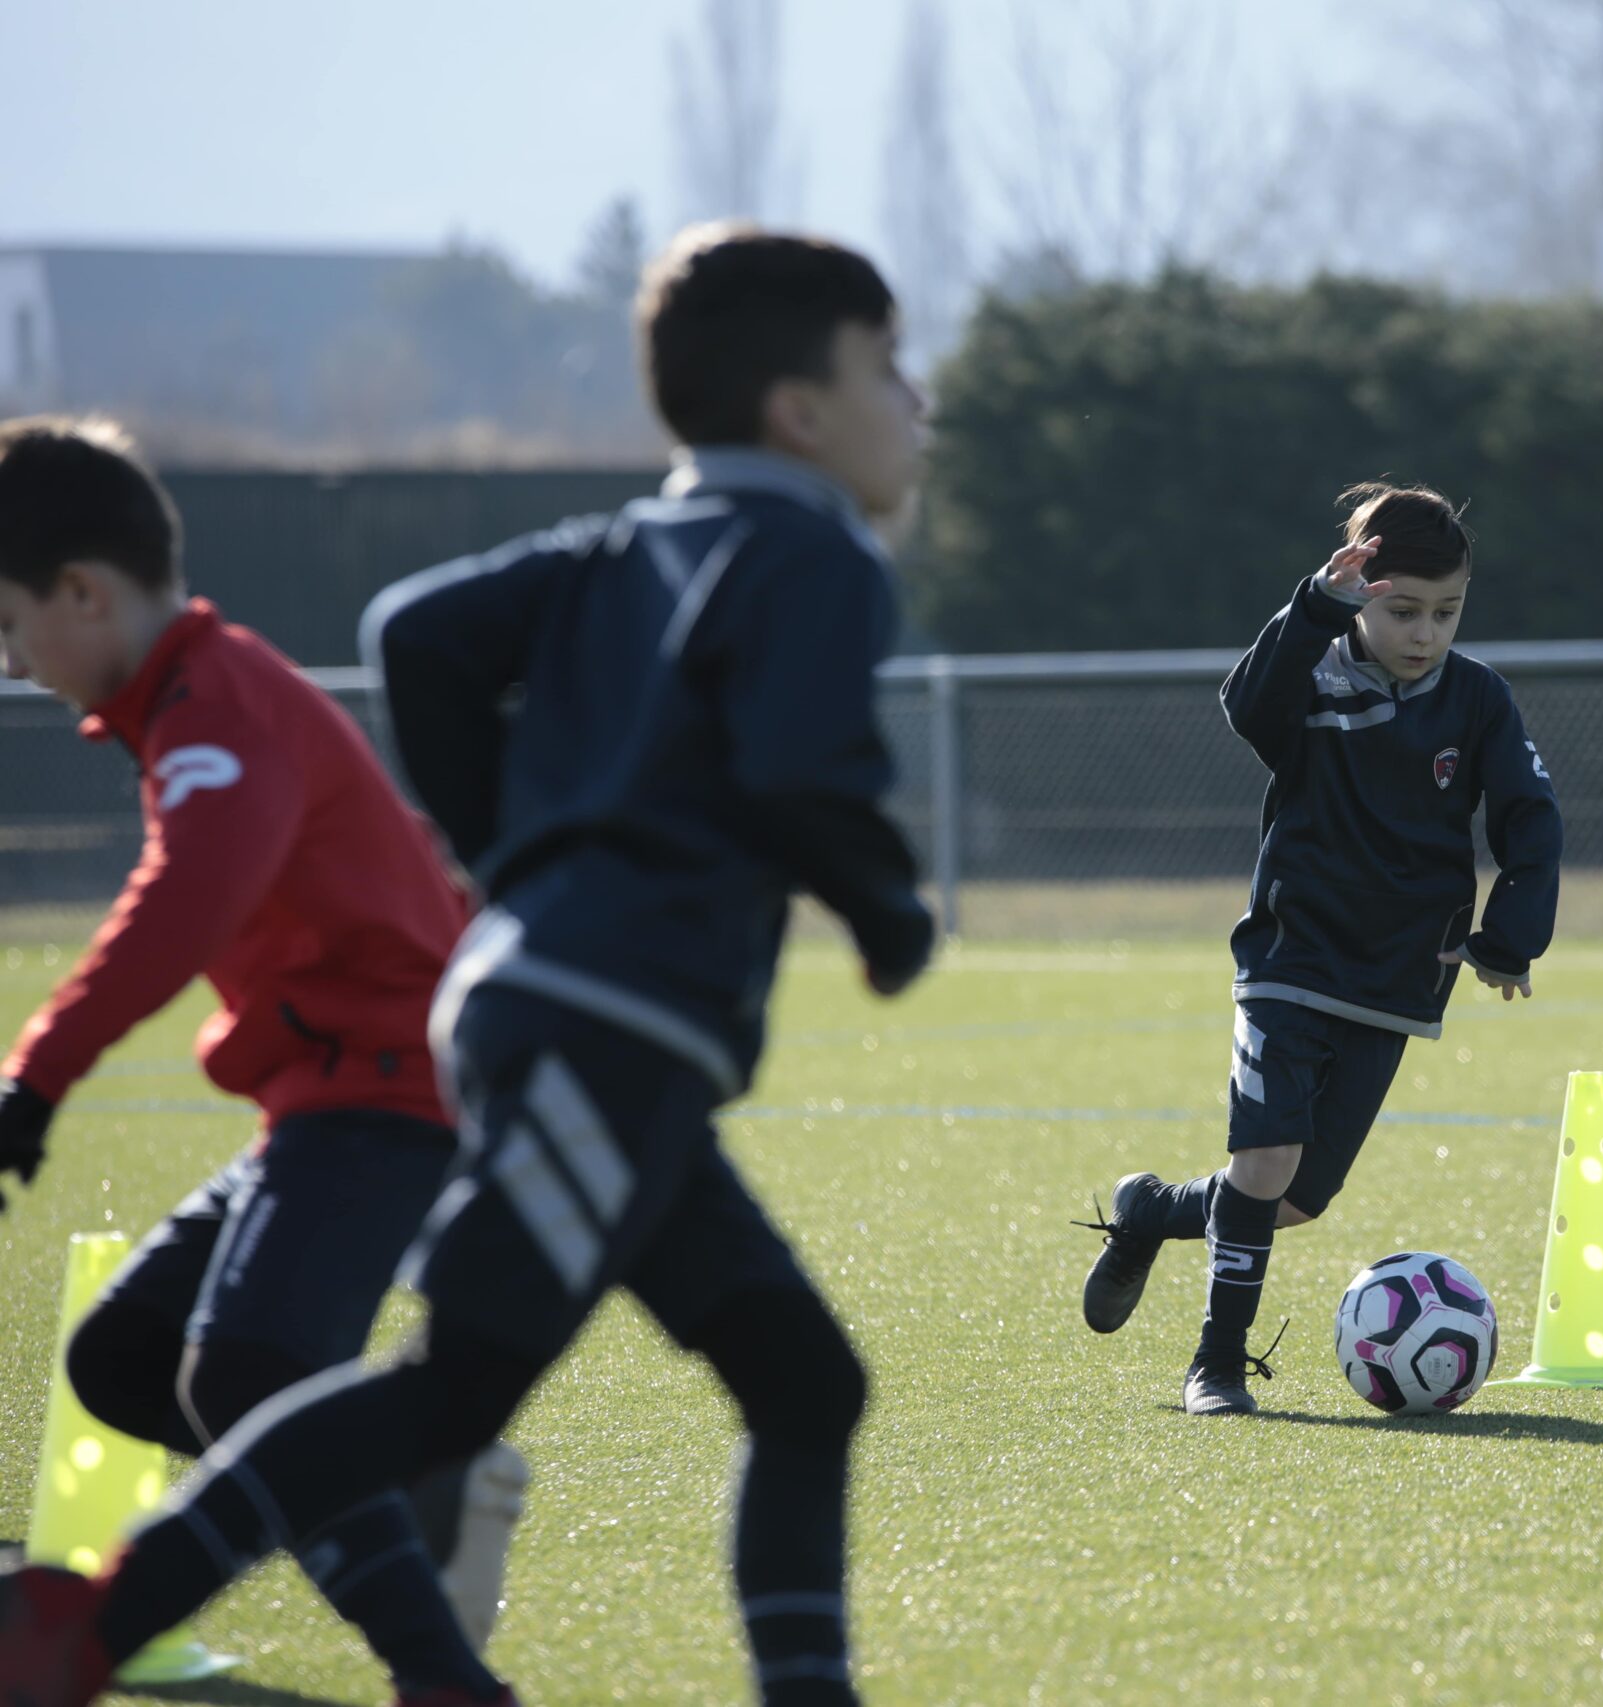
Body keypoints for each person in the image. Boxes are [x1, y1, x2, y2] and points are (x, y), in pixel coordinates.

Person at [0, 224, 935, 1707]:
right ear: (799, 412)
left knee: (807, 1383)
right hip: (605, 1028)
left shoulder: (626, 542)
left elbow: (417, 631)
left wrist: (521, 866)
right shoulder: (815, 550)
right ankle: (86, 1635)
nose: (918, 398)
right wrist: (891, 911)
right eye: (889, 363)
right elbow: (800, 769)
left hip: (562, 1022)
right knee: (445, 1390)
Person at [0, 417, 526, 1704]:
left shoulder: (211, 704)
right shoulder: (198, 698)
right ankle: (405, 1489)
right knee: (125, 1358)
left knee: (251, 1371)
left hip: (393, 1090)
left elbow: (186, 899)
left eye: (9, 625)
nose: (10, 660)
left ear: (84, 592)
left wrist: (36, 1077)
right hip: (337, 1096)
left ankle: (444, 1673)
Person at [1078, 481, 1563, 1414]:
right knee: (1261, 1169)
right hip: (1289, 965)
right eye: (1402, 610)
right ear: (1361, 592)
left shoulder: (1478, 700)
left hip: (1396, 984)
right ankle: (1215, 1366)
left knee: (1294, 1201)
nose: (1425, 633)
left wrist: (1511, 935)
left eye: (1447, 612)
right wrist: (1311, 607)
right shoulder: (1316, 673)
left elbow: (1530, 818)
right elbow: (1248, 706)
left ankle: (1147, 1211)